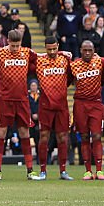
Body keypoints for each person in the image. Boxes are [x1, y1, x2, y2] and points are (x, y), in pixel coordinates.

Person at [0, 29, 38, 180]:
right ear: (8, 42)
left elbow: (40, 58)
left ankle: (30, 171)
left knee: (24, 133)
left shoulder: (27, 52)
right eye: (12, 45)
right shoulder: (0, 52)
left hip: (22, 100)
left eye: (17, 45)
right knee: (1, 133)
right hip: (5, 100)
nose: (15, 49)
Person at [69, 40, 104, 180]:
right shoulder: (74, 65)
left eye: (90, 50)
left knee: (97, 136)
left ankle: (99, 171)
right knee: (85, 136)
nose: (87, 53)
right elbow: (67, 81)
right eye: (85, 50)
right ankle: (88, 171)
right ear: (80, 50)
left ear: (94, 51)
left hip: (96, 104)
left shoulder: (101, 62)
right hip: (80, 104)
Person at [33, 36, 72, 180]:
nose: (52, 51)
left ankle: (63, 171)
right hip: (45, 105)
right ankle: (43, 170)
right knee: (44, 137)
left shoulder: (64, 60)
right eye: (49, 49)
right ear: (45, 48)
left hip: (61, 105)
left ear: (58, 46)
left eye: (55, 49)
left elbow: (70, 77)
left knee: (63, 137)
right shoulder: (39, 61)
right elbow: (29, 56)